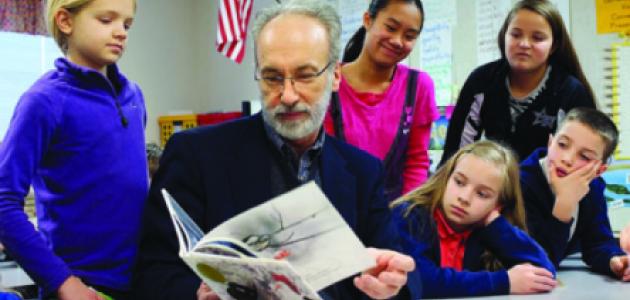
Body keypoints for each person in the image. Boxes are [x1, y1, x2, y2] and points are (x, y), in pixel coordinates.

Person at [133, 1, 420, 299]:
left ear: (335, 76)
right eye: (272, 77)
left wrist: (391, 284)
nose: (288, 95)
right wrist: (198, 293)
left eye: (305, 75)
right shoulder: (197, 155)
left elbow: (399, 272)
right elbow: (152, 274)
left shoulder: (363, 172)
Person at [0, 0, 147, 299]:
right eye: (107, 20)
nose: (120, 32)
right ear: (66, 21)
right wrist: (63, 282)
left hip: (140, 280)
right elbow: (2, 202)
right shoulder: (43, 102)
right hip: (80, 286)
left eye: (127, 24)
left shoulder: (134, 96)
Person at [392, 140, 556, 297]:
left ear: (498, 205)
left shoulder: (485, 228)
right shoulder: (410, 215)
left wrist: (498, 226)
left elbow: (544, 274)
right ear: (447, 178)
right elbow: (419, 280)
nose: (464, 198)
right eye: (459, 182)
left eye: (482, 194)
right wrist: (503, 281)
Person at [441, 0, 596, 164]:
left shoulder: (570, 92)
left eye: (537, 38)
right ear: (504, 36)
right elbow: (455, 154)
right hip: (494, 184)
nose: (524, 44)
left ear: (554, 46)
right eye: (515, 35)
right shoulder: (481, 81)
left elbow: (582, 163)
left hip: (549, 186)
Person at [324, 0, 438, 201]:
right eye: (391, 28)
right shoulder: (328, 80)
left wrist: (404, 216)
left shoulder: (418, 86)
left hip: (394, 214)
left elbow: (416, 162)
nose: (397, 41)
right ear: (368, 20)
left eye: (409, 36)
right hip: (339, 209)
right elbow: (323, 160)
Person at [520, 107, 630, 282]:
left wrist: (614, 260)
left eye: (585, 157)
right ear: (550, 142)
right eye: (562, 145)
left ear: (599, 170)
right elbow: (536, 262)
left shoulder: (593, 188)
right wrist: (564, 204)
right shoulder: (521, 184)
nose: (567, 159)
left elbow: (597, 242)